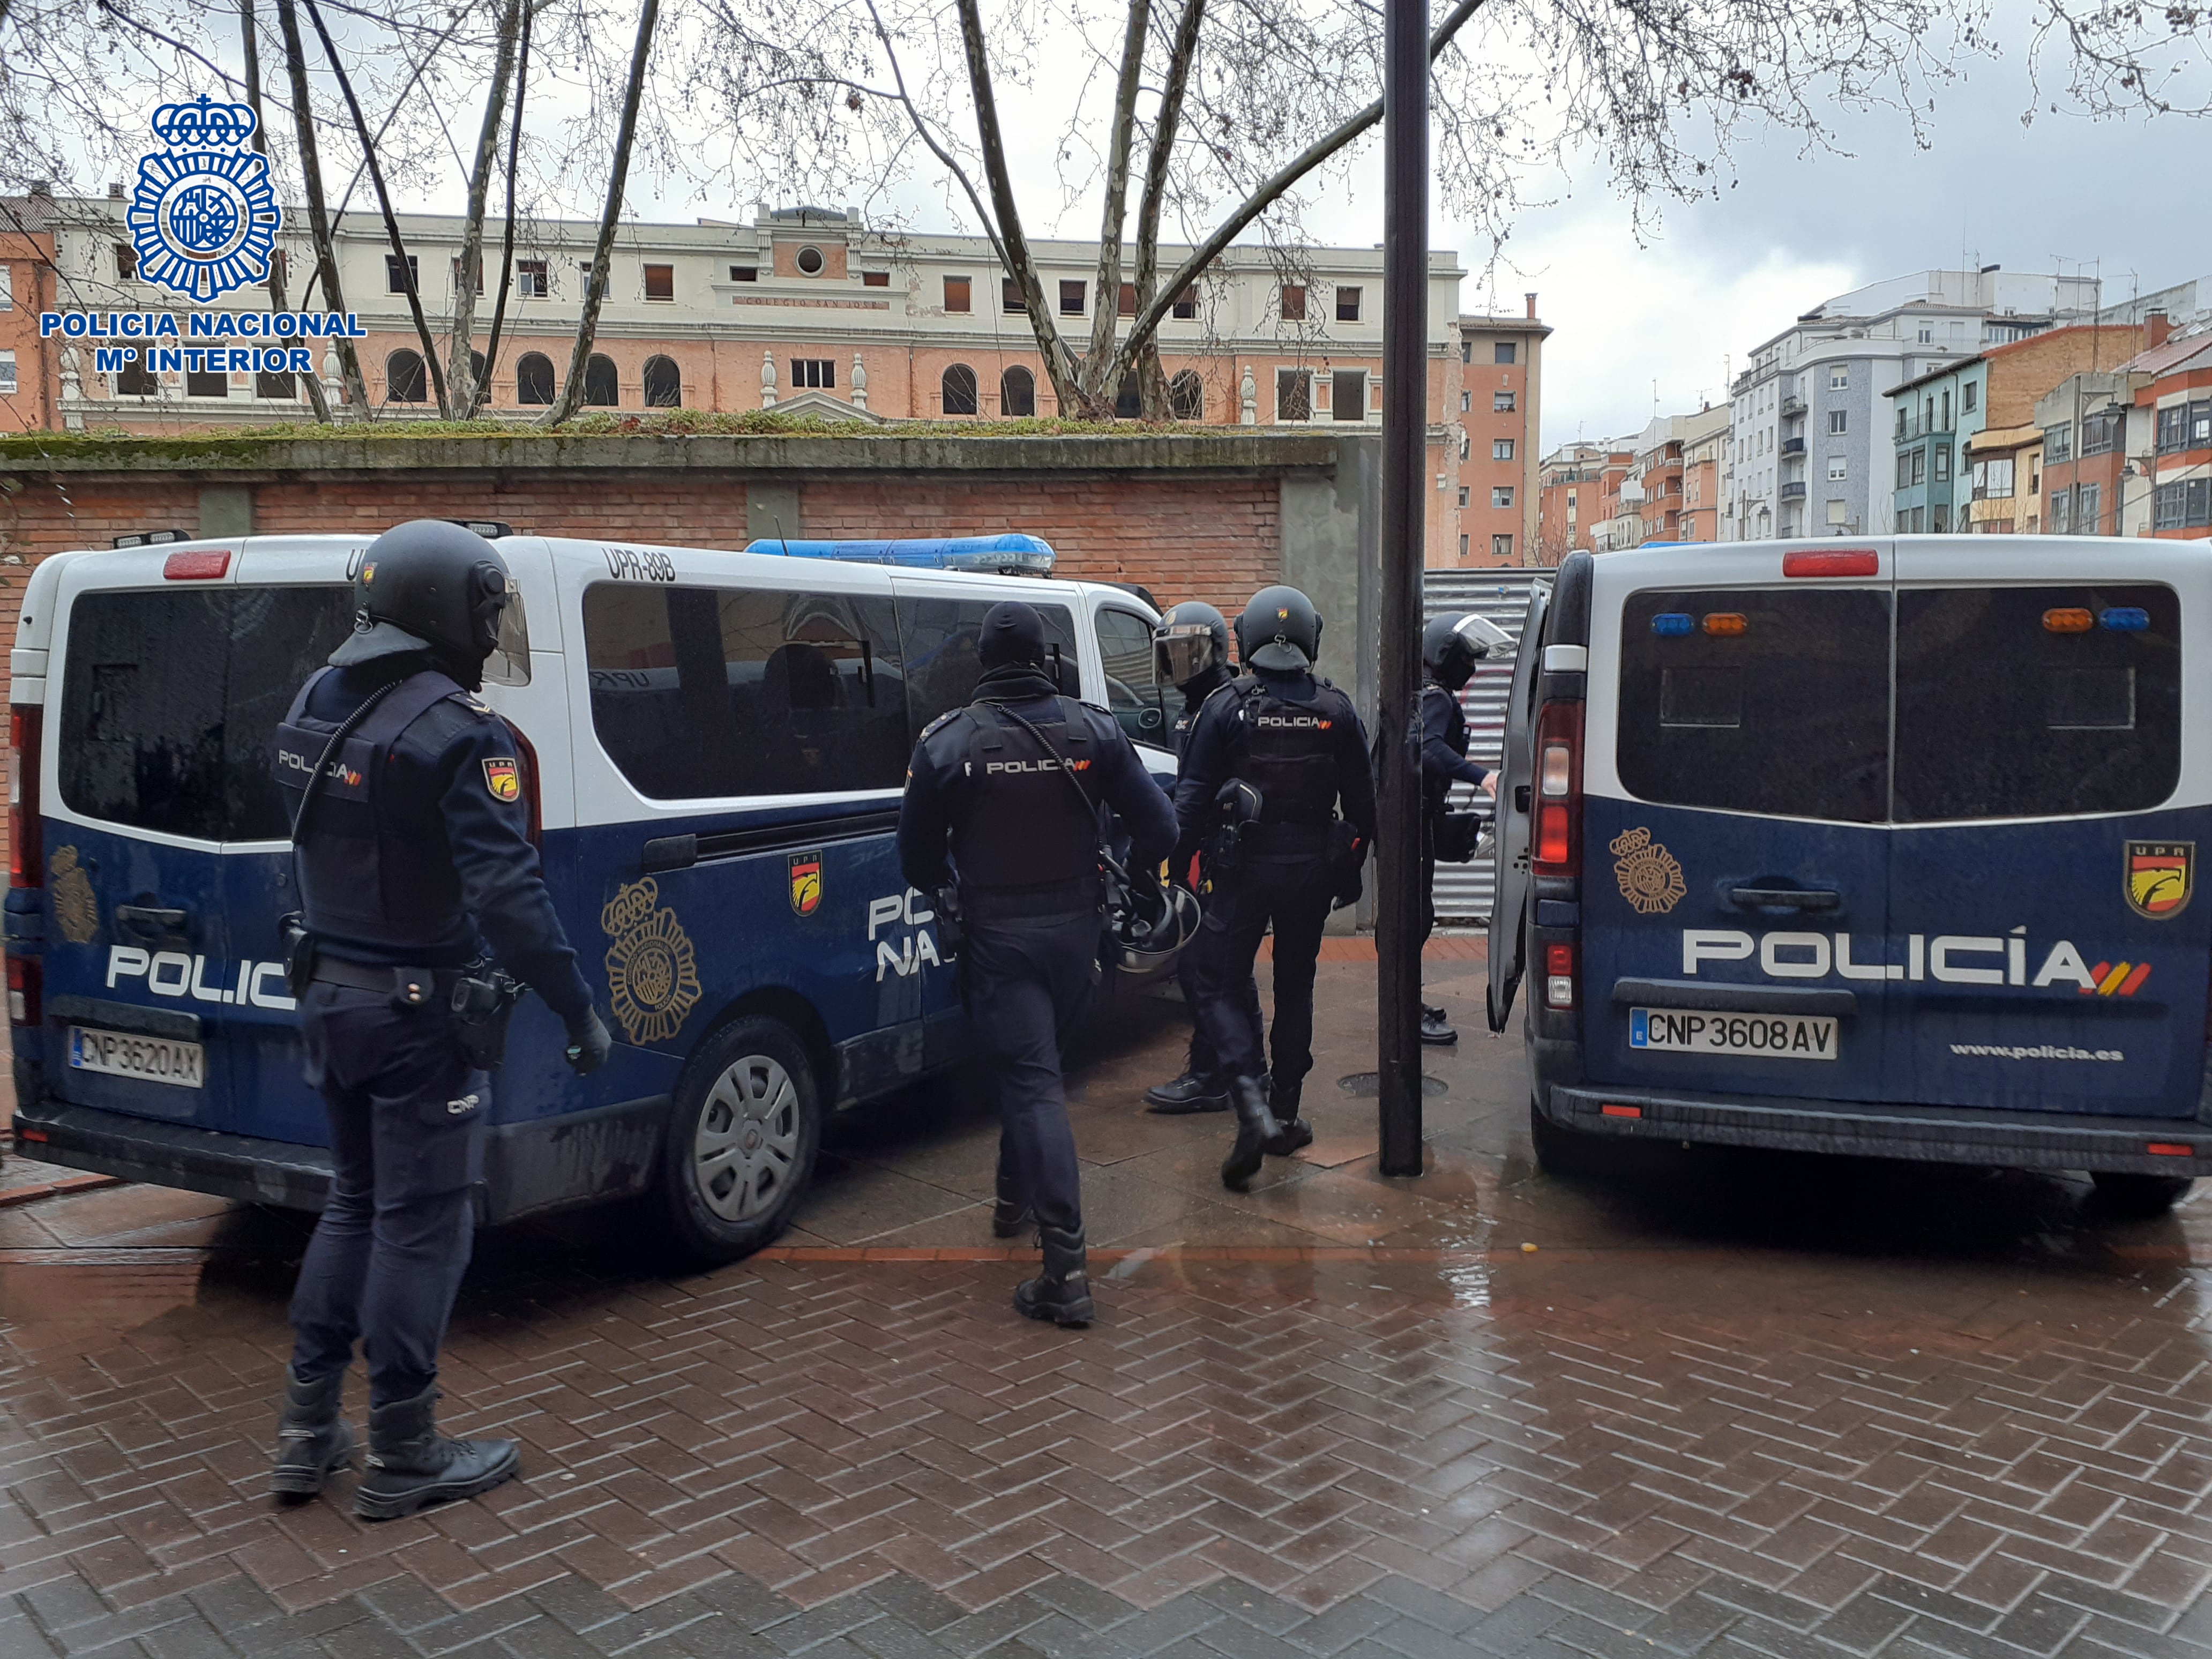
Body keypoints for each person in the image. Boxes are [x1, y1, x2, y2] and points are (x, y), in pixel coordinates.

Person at [270, 520, 611, 1521]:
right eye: (484, 607)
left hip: (331, 994)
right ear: (442, 610)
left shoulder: (316, 703)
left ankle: (304, 1433)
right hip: (417, 1017)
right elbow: (510, 898)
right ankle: (405, 1450)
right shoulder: (460, 734)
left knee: (354, 1205)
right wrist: (576, 1007)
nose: (489, 626)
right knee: (423, 1225)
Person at [899, 600, 1176, 1326]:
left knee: (1033, 1083)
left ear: (984, 662)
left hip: (999, 938)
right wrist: (1134, 875)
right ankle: (1009, 1198)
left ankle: (1066, 1272)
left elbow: (917, 862)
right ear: (1046, 661)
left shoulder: (947, 744)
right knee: (1037, 1070)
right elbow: (1163, 826)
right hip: (1079, 936)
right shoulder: (1097, 729)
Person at [1176, 586, 1376, 1190]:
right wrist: (1346, 868)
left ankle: (1249, 1097)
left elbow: (1187, 807)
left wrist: (1173, 872)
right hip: (1310, 872)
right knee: (1296, 987)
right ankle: (1284, 1112)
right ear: (1311, 637)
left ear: (1247, 636)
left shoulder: (1224, 707)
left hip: (1240, 872)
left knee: (1217, 980)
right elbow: (1366, 812)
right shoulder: (1337, 710)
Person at [1142, 601, 1255, 1117]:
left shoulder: (1222, 705)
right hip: (1215, 856)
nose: (1181, 664)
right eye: (1172, 654)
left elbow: (1198, 796)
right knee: (1224, 970)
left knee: (1204, 970)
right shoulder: (1202, 706)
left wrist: (1166, 852)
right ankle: (1245, 1071)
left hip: (1225, 856)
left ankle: (1215, 1076)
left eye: (1190, 652)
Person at [1418, 612, 1505, 1045]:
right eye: (1465, 655)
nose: (1471, 664)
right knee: (1413, 917)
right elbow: (1428, 748)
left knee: (1415, 914)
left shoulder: (1426, 693)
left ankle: (1406, 1003)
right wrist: (1482, 776)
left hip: (1415, 818)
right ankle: (1404, 1012)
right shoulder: (1434, 698)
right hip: (1410, 822)